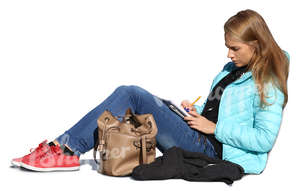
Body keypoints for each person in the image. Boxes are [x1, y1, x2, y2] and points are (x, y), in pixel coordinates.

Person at [11, 9, 289, 174]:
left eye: (235, 48)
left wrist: (212, 127)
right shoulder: (234, 70)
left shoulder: (269, 83)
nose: (228, 54)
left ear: (257, 44)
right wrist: (196, 109)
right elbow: (222, 104)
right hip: (201, 133)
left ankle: (66, 150)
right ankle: (63, 148)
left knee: (131, 94)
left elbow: (263, 140)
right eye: (227, 46)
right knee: (139, 97)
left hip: (212, 149)